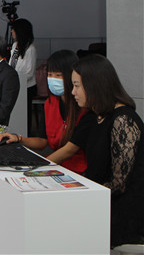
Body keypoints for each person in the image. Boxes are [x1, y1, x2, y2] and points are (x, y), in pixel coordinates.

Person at [47, 55, 143, 248]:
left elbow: (119, 184)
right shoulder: (95, 116)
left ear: (94, 85)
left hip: (121, 212)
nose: (72, 92)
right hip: (98, 200)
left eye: (77, 86)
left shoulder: (123, 120)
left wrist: (79, 194)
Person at [0, 50, 91, 173]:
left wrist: (38, 167)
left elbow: (69, 150)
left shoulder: (83, 107)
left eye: (58, 75)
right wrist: (18, 139)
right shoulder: (50, 103)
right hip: (58, 166)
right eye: (50, 75)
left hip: (79, 170)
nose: (53, 79)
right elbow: (42, 141)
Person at [9, 19, 37, 123]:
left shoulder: (30, 49)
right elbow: (12, 64)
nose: (12, 32)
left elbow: (29, 72)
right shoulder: (15, 45)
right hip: (15, 84)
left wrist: (16, 79)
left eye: (14, 29)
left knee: (25, 113)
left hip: (27, 87)